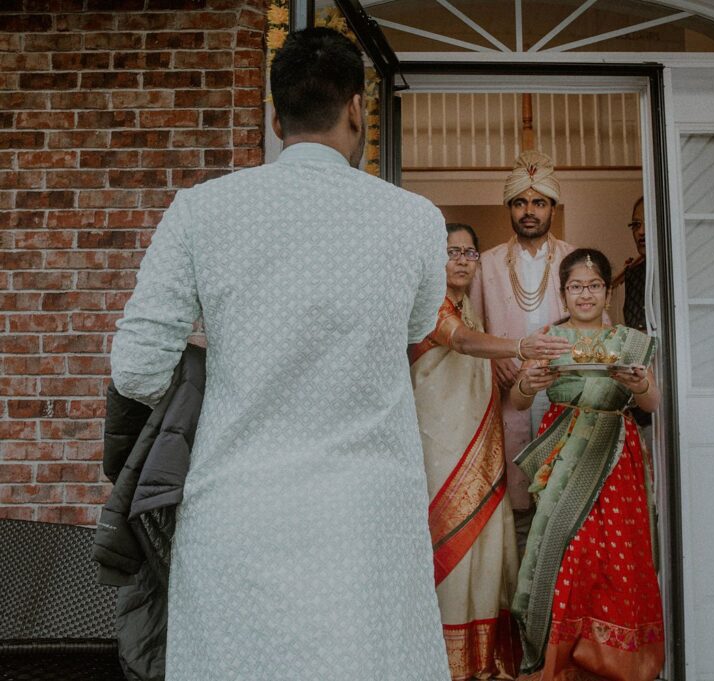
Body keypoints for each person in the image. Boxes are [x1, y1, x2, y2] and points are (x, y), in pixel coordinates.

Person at [110, 27, 451, 679]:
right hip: (366, 521)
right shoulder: (415, 218)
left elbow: (136, 368)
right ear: (357, 108)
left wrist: (213, 341)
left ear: (274, 116)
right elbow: (419, 323)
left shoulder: (201, 212)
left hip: (240, 514)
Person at [410, 223, 571, 681]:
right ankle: (440, 661)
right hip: (439, 446)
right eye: (451, 251)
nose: (461, 259)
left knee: (486, 546)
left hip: (480, 441)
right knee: (450, 542)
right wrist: (520, 345)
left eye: (469, 253)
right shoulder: (429, 306)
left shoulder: (470, 310)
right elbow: (459, 342)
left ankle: (481, 659)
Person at [509, 249, 665, 681]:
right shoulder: (548, 339)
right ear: (563, 294)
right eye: (576, 286)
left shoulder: (629, 342)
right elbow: (517, 400)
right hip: (564, 459)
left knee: (617, 558)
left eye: (594, 285)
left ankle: (616, 662)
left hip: (616, 456)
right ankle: (563, 663)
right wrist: (527, 382)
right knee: (567, 554)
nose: (585, 294)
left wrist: (641, 383)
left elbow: (653, 402)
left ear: (606, 292)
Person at [470, 150, 578, 552]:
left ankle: (555, 603)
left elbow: (594, 327)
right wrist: (497, 358)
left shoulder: (574, 259)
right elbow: (473, 328)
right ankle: (518, 608)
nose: (528, 211)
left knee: (561, 495)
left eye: (538, 202)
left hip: (561, 390)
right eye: (519, 203)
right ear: (509, 208)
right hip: (509, 393)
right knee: (515, 501)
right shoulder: (488, 263)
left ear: (552, 206)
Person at [611, 196, 647, 332]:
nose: (641, 232)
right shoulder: (633, 274)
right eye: (636, 225)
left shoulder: (679, 269)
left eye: (649, 222)